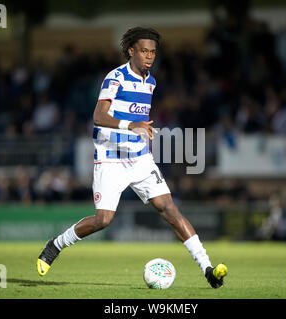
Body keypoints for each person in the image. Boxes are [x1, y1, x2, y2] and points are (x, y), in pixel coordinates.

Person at [36, 27, 227, 288]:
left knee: (169, 209)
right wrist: (131, 126)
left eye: (153, 52)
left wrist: (140, 132)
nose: (149, 56)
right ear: (131, 51)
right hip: (110, 157)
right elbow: (99, 116)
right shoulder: (115, 78)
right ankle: (55, 245)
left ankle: (208, 269)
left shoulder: (151, 81)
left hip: (139, 158)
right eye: (144, 51)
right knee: (103, 220)